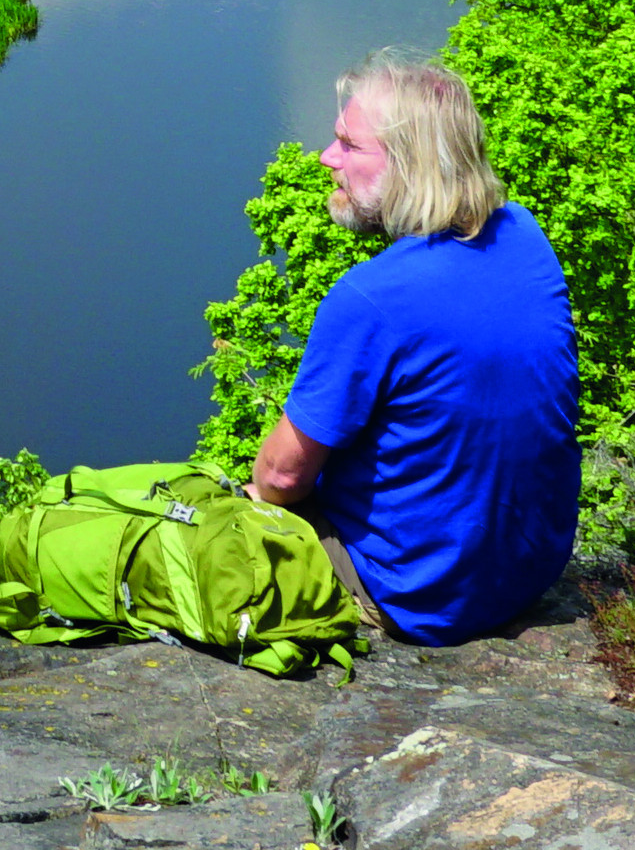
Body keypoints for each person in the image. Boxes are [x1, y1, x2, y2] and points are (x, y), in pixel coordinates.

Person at [245, 50, 578, 645]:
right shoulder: (526, 236)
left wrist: (250, 496)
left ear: (409, 164)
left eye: (349, 146)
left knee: (199, 526)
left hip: (416, 595)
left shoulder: (372, 298)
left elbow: (281, 478)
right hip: (527, 573)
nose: (327, 158)